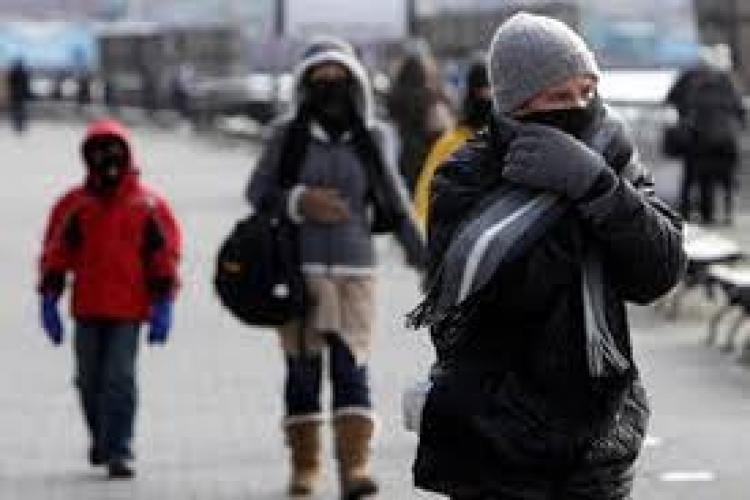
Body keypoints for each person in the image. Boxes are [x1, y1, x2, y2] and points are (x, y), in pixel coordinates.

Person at [408, 13, 686, 499]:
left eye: (587, 91)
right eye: (559, 97)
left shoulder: (611, 159)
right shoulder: (465, 175)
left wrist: (599, 188)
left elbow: (659, 271)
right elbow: (502, 298)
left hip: (599, 434)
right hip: (492, 439)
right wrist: (572, 204)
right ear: (516, 103)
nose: (579, 107)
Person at [246, 37, 424, 498]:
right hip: (297, 273)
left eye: (339, 78)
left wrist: (427, 260)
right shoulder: (285, 135)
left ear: (355, 83)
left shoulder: (374, 136)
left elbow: (396, 203)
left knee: (352, 368)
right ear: (304, 86)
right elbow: (257, 193)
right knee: (302, 371)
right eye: (320, 79)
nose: (330, 87)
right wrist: (299, 201)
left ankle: (355, 466)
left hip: (355, 274)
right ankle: (305, 466)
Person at [37, 119, 182, 479]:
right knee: (88, 380)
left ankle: (119, 448)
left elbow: (163, 256)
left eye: (114, 150)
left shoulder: (147, 206)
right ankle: (101, 438)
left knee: (119, 377)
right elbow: (57, 252)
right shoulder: (74, 205)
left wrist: (164, 301)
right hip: (87, 308)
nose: (108, 160)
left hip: (128, 310)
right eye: (98, 152)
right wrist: (49, 297)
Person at [666, 56, 745, 225]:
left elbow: (672, 100)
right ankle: (725, 212)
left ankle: (699, 213)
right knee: (726, 179)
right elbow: (740, 110)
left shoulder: (691, 79)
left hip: (699, 139)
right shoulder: (727, 82)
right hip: (725, 139)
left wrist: (683, 118)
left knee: (699, 178)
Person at [414, 59, 492, 228]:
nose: (488, 95)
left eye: (491, 89)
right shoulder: (451, 143)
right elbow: (427, 193)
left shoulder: (514, 140)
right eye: (483, 89)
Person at [387, 43, 454, 191]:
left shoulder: (396, 95)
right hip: (432, 152)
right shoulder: (431, 96)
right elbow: (443, 125)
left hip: (407, 153)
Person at [8, 58, 31, 133]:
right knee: (21, 110)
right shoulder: (24, 73)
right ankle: (20, 126)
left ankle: (18, 126)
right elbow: (26, 85)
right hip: (20, 95)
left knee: (16, 110)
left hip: (15, 94)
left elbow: (10, 83)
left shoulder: (13, 73)